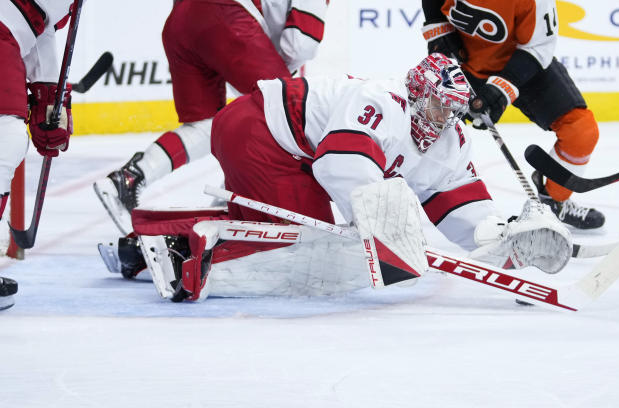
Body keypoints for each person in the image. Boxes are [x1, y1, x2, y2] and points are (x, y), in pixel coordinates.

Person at [109, 53, 573, 302]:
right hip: (257, 129)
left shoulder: (450, 139)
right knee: (299, 245)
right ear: (417, 94)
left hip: (293, 152)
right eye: (439, 105)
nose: (446, 118)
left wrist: (500, 237)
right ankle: (178, 255)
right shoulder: (383, 102)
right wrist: (377, 227)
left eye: (453, 110)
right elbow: (339, 165)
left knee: (296, 232)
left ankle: (142, 242)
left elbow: (453, 199)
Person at [0, 0, 168, 310]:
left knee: (10, 139)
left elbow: (47, 20)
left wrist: (51, 92)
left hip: (14, 28)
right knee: (5, 137)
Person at [93, 0, 344, 235]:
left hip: (183, 14)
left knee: (207, 124)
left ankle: (130, 177)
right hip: (225, 13)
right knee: (277, 114)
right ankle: (249, 199)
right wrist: (281, 80)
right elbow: (301, 44)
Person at [416, 0, 605, 230]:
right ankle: (410, 207)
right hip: (461, 64)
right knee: (422, 132)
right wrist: (441, 40)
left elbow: (539, 46)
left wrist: (499, 91)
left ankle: (553, 201)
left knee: (582, 131)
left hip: (521, 65)